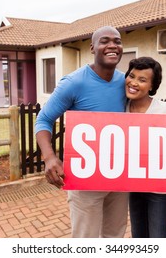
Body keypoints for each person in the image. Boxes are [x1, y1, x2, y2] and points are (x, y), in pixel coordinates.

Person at [35, 26, 129, 238]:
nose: (113, 45)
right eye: (105, 41)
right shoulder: (74, 82)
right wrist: (49, 157)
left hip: (120, 175)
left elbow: (149, 114)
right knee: (86, 239)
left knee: (115, 236)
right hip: (86, 177)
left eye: (117, 41)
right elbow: (44, 119)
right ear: (92, 48)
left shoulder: (126, 82)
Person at [124, 56, 166, 238]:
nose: (134, 83)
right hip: (135, 189)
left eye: (142, 80)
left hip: (162, 192)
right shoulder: (121, 109)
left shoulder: (165, 111)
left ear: (152, 86)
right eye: (132, 76)